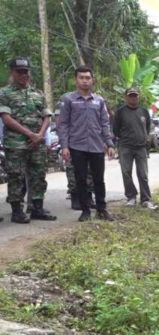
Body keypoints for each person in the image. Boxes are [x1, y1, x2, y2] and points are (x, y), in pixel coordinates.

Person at [0, 56, 55, 223]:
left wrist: (40, 135)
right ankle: (17, 211)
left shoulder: (37, 93)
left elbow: (47, 116)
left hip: (37, 143)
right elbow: (6, 119)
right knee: (15, 176)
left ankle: (37, 208)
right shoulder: (4, 93)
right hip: (16, 143)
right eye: (20, 72)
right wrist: (30, 134)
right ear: (12, 72)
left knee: (39, 174)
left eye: (26, 71)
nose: (24, 75)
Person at [59, 66, 116, 222]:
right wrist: (65, 146)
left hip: (97, 146)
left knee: (99, 179)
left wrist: (109, 144)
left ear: (92, 80)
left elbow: (105, 123)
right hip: (77, 146)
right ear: (76, 80)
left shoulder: (99, 101)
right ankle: (85, 211)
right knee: (81, 179)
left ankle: (102, 209)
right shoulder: (68, 100)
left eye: (87, 78)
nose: (85, 81)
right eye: (81, 77)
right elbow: (63, 124)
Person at [114, 87, 157, 209]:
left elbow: (147, 127)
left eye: (135, 95)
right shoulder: (120, 112)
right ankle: (131, 197)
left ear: (138, 97)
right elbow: (116, 130)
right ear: (126, 97)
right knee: (126, 172)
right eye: (131, 95)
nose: (133, 98)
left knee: (143, 174)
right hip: (125, 147)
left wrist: (143, 138)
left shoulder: (144, 111)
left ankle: (145, 199)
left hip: (141, 147)